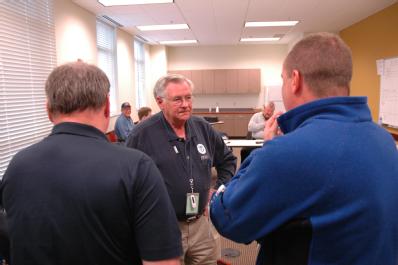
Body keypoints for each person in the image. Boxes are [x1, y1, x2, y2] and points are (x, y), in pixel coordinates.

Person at [210, 32, 398, 265]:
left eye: (283, 79)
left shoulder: (287, 152)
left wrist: (267, 151)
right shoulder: (383, 139)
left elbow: (227, 218)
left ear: (295, 80)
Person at [0, 61, 182, 265]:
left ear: (48, 110)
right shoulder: (136, 167)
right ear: (107, 106)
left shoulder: (17, 166)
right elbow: (162, 261)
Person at [126, 74, 237, 265]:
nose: (185, 104)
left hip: (202, 225)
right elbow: (127, 180)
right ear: (160, 102)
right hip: (163, 227)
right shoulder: (142, 134)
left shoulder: (202, 128)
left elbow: (227, 160)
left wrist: (217, 190)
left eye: (188, 97)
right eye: (178, 99)